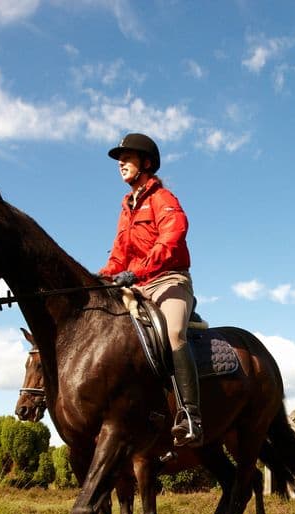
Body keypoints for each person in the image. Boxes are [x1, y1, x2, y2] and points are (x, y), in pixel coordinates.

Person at [99, 132, 203, 447]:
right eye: (119, 159)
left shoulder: (163, 199)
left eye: (127, 157)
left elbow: (173, 237)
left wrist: (138, 270)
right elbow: (118, 255)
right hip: (138, 284)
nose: (120, 163)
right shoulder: (126, 208)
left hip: (169, 280)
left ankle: (190, 416)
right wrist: (100, 278)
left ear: (145, 162)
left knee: (173, 334)